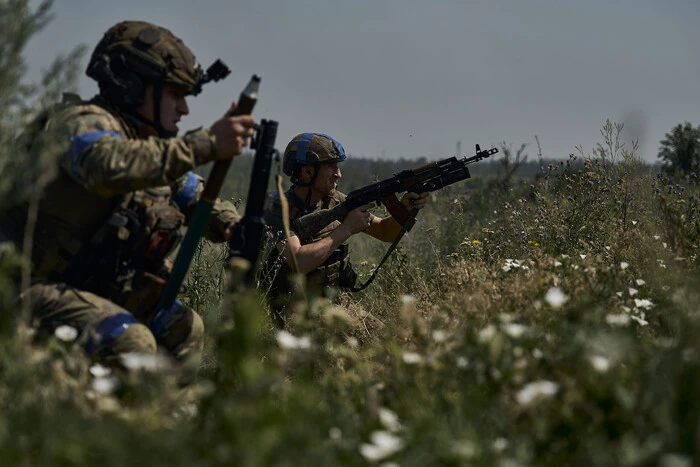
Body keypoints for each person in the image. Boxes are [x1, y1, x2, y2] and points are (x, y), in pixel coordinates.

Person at [0, 21, 256, 367]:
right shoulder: (83, 123)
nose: (184, 109)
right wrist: (205, 144)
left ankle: (151, 417)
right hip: (24, 288)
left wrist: (231, 225)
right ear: (134, 85)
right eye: (175, 94)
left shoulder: (149, 149)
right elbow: (107, 166)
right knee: (130, 341)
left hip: (86, 287)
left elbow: (194, 195)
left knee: (184, 328)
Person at [262, 133, 428, 326]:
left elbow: (384, 231)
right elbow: (299, 262)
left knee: (387, 342)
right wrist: (346, 229)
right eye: (331, 166)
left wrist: (405, 210)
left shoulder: (335, 201)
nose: (338, 173)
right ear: (307, 172)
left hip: (338, 305)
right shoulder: (277, 208)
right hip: (296, 315)